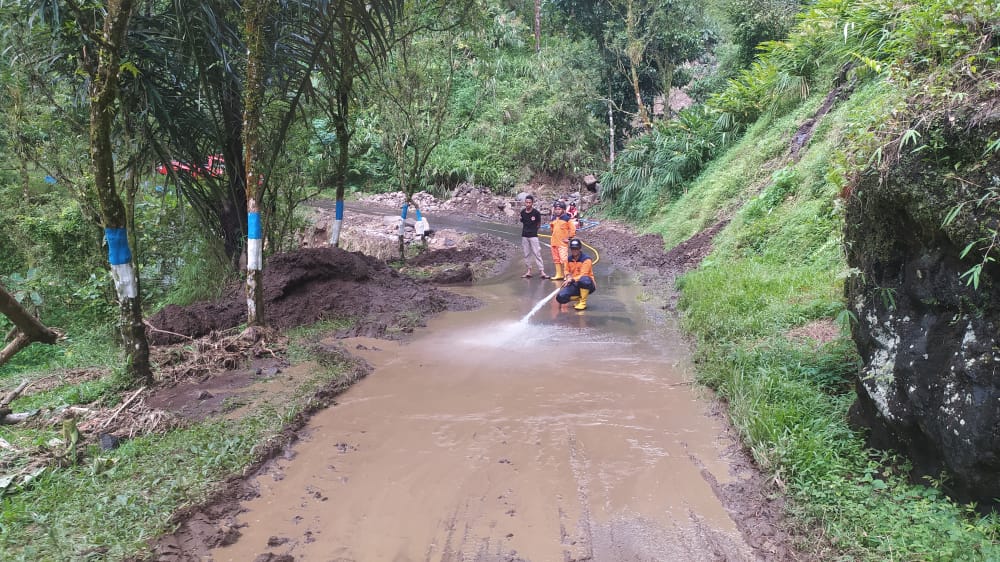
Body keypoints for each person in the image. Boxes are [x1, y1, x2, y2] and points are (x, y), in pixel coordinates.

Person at [556, 238, 596, 310]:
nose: (574, 250)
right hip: (575, 283)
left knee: (584, 279)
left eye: (576, 248)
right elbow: (566, 270)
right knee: (560, 298)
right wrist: (568, 277)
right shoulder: (568, 259)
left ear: (580, 248)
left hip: (588, 284)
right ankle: (580, 298)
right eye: (573, 249)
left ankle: (583, 302)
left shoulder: (586, 259)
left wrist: (571, 279)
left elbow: (584, 274)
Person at [519, 195, 549, 278]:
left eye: (529, 202)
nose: (528, 204)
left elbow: (539, 224)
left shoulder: (536, 213)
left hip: (533, 236)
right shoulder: (522, 212)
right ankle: (528, 271)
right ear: (525, 203)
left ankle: (542, 271)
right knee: (526, 254)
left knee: (537, 253)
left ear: (532, 203)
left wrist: (534, 230)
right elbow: (522, 220)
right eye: (526, 202)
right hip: (524, 235)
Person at [548, 201, 577, 281]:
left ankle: (566, 275)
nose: (557, 211)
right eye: (556, 209)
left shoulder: (567, 219)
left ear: (563, 210)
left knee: (564, 259)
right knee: (556, 259)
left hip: (562, 243)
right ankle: (559, 274)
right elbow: (552, 229)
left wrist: (569, 238)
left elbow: (573, 229)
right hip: (554, 242)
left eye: (559, 209)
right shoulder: (553, 219)